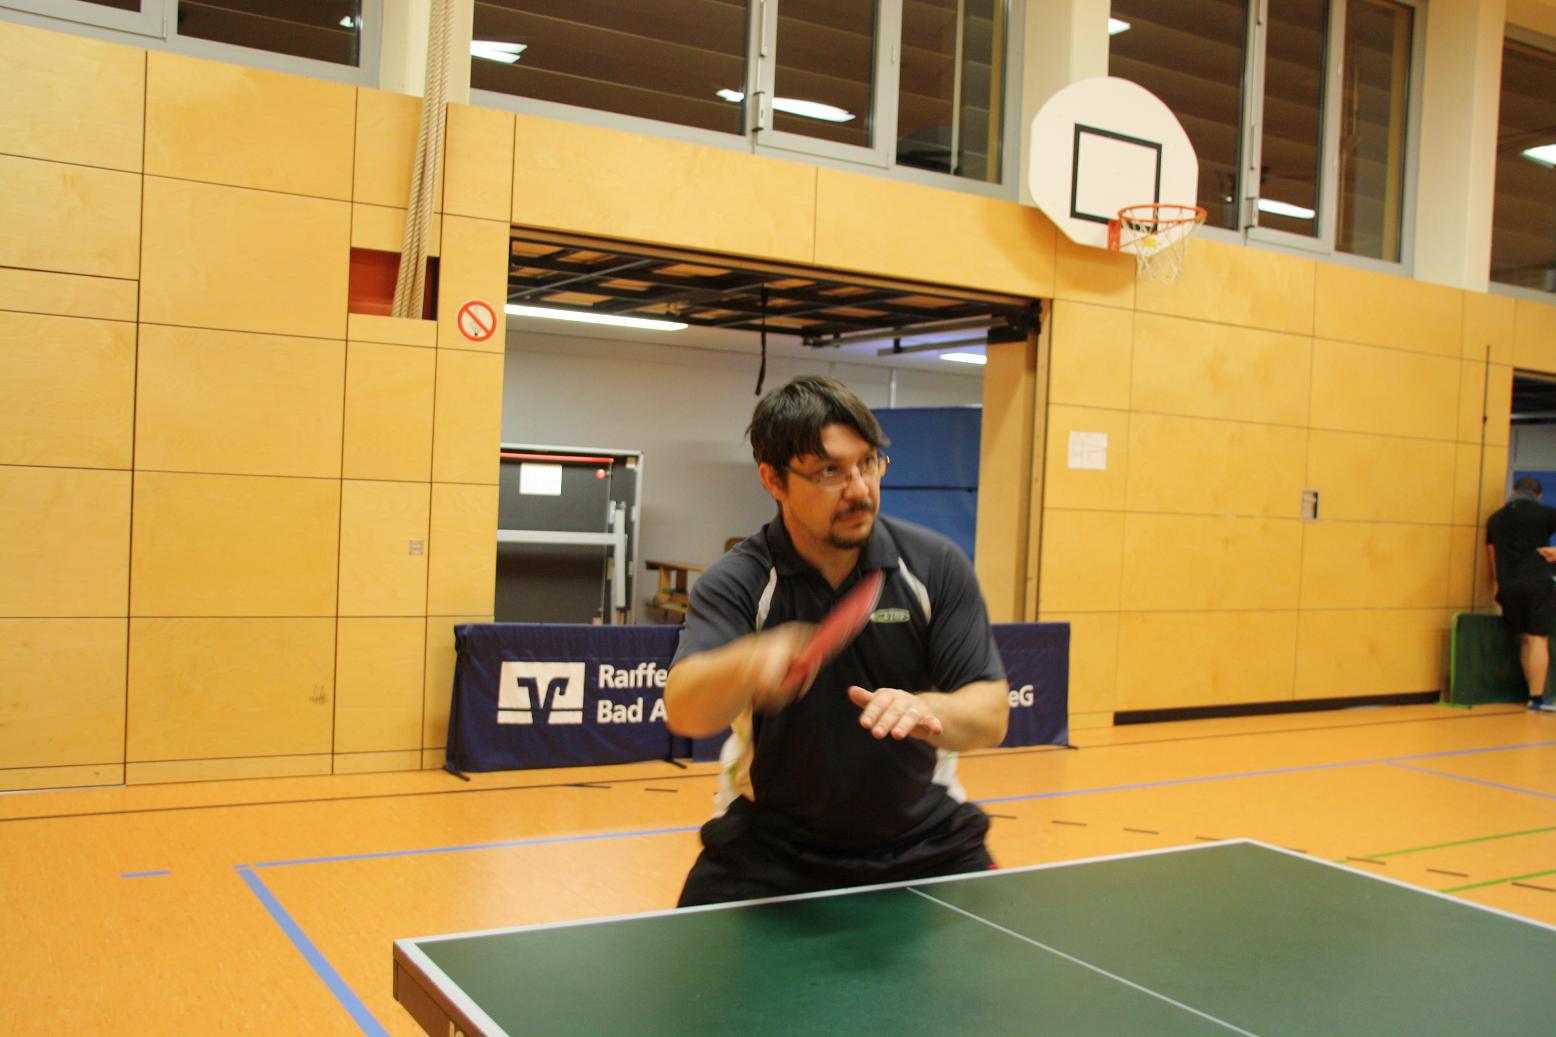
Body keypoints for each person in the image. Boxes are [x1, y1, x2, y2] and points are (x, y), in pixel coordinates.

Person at [665, 375, 1011, 907]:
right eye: (830, 472)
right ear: (774, 480)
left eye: (868, 463)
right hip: (772, 848)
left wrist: (926, 708)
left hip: (925, 839)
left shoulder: (934, 565)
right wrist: (746, 662)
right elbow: (686, 712)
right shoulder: (739, 582)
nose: (859, 489)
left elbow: (991, 714)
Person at [1485, 476, 1556, 713]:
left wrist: (1500, 586)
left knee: (1526, 638)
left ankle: (1531, 696)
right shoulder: (1545, 513)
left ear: (1514, 491)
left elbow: (1492, 557)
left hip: (1509, 585)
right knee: (1538, 638)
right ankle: (1537, 698)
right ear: (1538, 496)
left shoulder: (1495, 519)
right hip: (1537, 581)